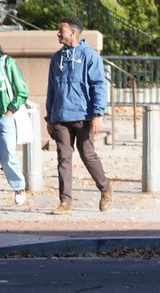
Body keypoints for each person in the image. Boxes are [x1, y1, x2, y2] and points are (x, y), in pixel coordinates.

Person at [44, 17, 112, 214]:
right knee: (63, 158)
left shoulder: (90, 56)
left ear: (73, 33)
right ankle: (65, 202)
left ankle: (105, 187)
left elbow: (98, 86)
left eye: (61, 30)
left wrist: (98, 114)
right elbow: (51, 89)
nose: (58, 33)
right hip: (60, 115)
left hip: (84, 116)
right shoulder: (56, 59)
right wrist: (49, 117)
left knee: (87, 154)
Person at [0, 34, 28, 209]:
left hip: (4, 118)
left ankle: (19, 187)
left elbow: (22, 91)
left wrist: (10, 111)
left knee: (7, 156)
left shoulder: (7, 63)